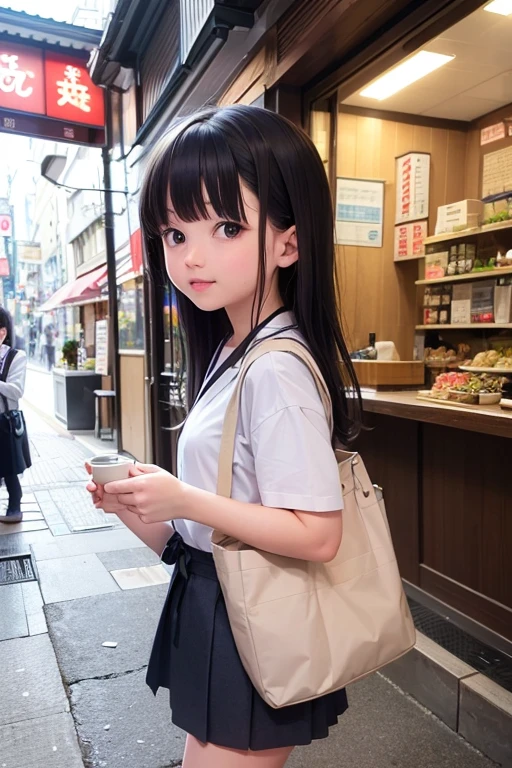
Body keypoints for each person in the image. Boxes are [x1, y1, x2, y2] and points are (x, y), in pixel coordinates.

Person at [86, 105, 362, 768]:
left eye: (227, 226)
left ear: (290, 244)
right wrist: (142, 508)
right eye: (175, 234)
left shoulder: (274, 370)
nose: (192, 256)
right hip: (224, 608)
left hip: (253, 625)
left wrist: (184, 499)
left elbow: (319, 534)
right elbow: (203, 539)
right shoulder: (233, 348)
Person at [0, 307, 28, 524]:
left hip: (5, 421)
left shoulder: (16, 357)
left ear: (3, 332)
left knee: (9, 467)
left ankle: (15, 505)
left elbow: (16, 391)